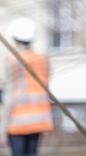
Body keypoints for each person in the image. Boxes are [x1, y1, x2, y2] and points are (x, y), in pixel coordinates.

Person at [0, 17, 54, 156]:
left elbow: (9, 96)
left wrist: (2, 128)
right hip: (39, 118)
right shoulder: (43, 60)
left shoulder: (12, 61)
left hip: (18, 121)